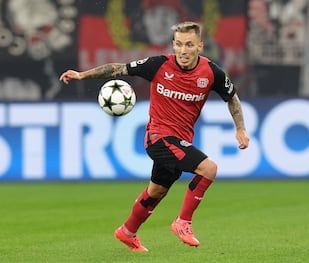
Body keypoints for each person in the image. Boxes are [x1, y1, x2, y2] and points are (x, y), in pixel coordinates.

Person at [59, 21, 250, 252]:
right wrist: (81, 75)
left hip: (181, 139)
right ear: (173, 45)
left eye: (189, 45)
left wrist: (240, 128)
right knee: (208, 168)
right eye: (178, 44)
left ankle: (127, 231)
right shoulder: (157, 65)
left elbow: (232, 97)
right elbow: (118, 69)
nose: (183, 50)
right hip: (158, 137)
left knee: (157, 190)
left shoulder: (211, 73)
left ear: (199, 46)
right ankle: (183, 222)